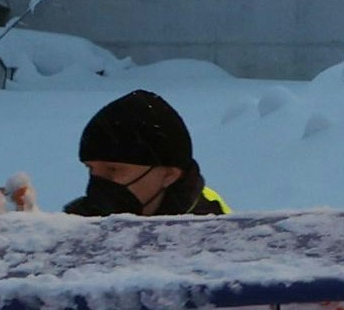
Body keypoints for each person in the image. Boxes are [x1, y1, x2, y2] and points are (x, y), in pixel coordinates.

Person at [65, 89, 227, 217]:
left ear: (169, 175)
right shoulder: (73, 229)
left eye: (113, 169)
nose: (98, 183)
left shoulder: (217, 233)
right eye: (90, 168)